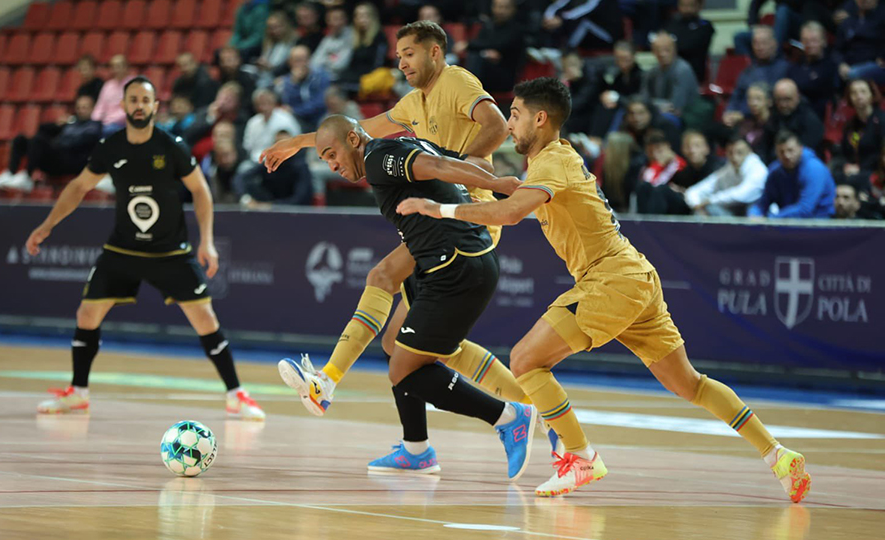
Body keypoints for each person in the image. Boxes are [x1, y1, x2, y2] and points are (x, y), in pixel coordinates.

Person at [397, 77, 811, 503]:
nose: (509, 124)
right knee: (690, 384)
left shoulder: (551, 163)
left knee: (525, 360)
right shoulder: (555, 160)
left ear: (540, 119)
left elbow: (511, 212)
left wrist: (438, 207)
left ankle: (580, 455)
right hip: (635, 277)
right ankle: (777, 454)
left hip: (611, 277)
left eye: (515, 116)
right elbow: (513, 195)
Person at [263, 21, 536, 471]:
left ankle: (330, 381)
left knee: (395, 306)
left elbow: (495, 126)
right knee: (403, 342)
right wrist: (298, 141)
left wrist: (473, 174)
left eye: (410, 52)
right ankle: (417, 446)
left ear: (435, 52)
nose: (402, 61)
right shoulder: (410, 106)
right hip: (440, 210)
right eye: (398, 55)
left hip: (467, 213)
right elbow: (354, 129)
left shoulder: (457, 81)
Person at [305, 114, 536, 480]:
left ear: (353, 139)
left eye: (331, 154)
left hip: (457, 267)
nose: (332, 166)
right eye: (324, 160)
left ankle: (510, 416)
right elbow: (453, 162)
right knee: (394, 340)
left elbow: (441, 166)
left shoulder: (379, 157)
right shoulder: (395, 147)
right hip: (441, 263)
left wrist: (496, 183)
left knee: (405, 370)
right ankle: (416, 448)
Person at [25, 76, 265, 421]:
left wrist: (207, 241)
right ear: (123, 106)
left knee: (205, 318)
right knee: (86, 314)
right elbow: (78, 187)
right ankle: (78, 393)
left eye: (145, 100)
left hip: (170, 251)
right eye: (133, 99)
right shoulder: (111, 146)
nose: (139, 105)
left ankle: (236, 395)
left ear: (155, 106)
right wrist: (47, 226)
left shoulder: (172, 146)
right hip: (123, 249)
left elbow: (200, 191)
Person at [0, 95, 102, 189]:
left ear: (92, 109)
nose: (81, 111)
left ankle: (28, 178)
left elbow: (77, 144)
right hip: (56, 157)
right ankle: (11, 173)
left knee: (39, 141)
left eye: (84, 108)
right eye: (78, 108)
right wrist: (58, 124)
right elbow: (42, 128)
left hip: (70, 162)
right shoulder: (71, 123)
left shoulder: (94, 126)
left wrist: (54, 144)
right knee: (21, 139)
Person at [750, 130, 836, 218]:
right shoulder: (775, 171)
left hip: (820, 223)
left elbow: (805, 209)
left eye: (790, 150)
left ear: (801, 149)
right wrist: (754, 214)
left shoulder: (814, 169)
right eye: (781, 152)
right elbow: (762, 203)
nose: (786, 155)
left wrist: (771, 219)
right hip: (786, 224)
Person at [685, 135, 768, 216]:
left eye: (740, 152)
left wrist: (710, 200)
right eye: (730, 153)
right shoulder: (730, 168)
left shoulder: (758, 169)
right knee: (704, 210)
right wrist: (696, 205)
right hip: (736, 213)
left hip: (758, 214)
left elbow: (742, 194)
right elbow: (698, 189)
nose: (735, 157)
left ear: (749, 152)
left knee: (752, 211)